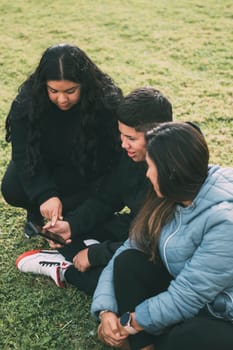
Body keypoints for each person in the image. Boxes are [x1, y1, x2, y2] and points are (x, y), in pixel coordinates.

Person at [15, 87, 173, 295]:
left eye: (131, 139)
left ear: (157, 134)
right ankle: (79, 249)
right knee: (76, 228)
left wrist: (95, 254)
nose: (124, 144)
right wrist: (72, 226)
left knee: (126, 281)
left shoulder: (176, 169)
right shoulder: (131, 156)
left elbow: (155, 242)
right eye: (121, 135)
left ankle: (66, 270)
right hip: (137, 226)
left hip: (160, 248)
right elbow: (107, 198)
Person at [91, 122, 233, 350]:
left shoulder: (225, 222)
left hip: (224, 314)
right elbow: (129, 248)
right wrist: (107, 311)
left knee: (187, 337)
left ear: (170, 171)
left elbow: (187, 296)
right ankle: (143, 345)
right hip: (194, 300)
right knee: (129, 263)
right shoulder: (174, 195)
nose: (147, 174)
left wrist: (129, 323)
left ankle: (142, 341)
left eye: (150, 166)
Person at [1, 43, 123, 235]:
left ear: (85, 84)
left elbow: (111, 156)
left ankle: (77, 216)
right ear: (43, 85)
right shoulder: (26, 104)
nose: (62, 99)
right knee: (13, 187)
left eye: (71, 91)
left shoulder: (105, 102)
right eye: (54, 91)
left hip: (86, 168)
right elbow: (23, 155)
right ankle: (36, 211)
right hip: (47, 164)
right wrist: (45, 195)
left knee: (82, 197)